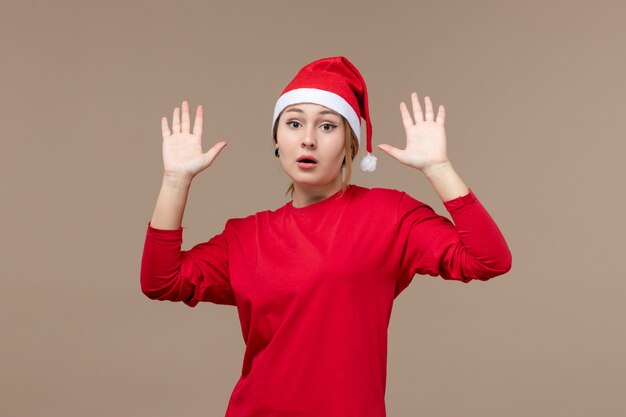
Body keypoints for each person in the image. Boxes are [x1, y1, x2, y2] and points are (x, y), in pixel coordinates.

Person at [140, 56, 512, 417]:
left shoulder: (390, 215)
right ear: (276, 139)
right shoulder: (244, 236)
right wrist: (175, 181)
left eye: (328, 126)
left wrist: (439, 168)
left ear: (350, 143)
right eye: (294, 123)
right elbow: (160, 281)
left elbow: (489, 259)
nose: (308, 140)